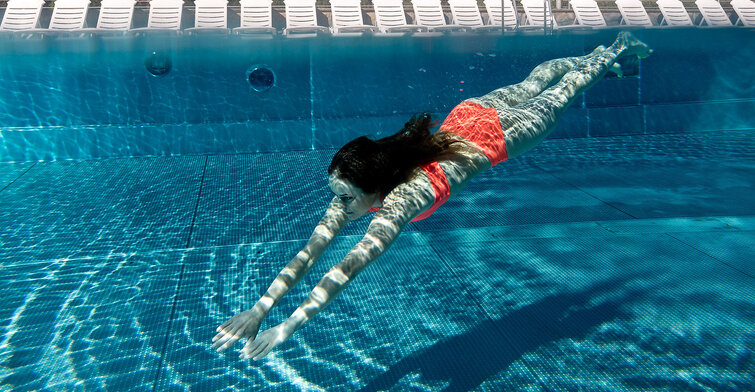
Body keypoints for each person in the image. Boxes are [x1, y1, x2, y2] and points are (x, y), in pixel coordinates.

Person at [212, 31, 652, 361]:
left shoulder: (404, 199)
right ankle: (598, 55)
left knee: (566, 88)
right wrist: (260, 309)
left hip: (498, 135)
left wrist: (287, 327)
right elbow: (310, 253)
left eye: (344, 197)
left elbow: (346, 269)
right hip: (468, 113)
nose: (337, 205)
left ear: (374, 186)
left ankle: (615, 48)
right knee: (537, 80)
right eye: (337, 195)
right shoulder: (355, 184)